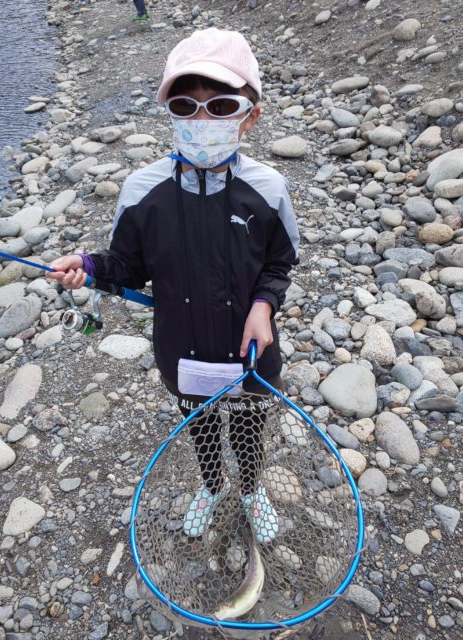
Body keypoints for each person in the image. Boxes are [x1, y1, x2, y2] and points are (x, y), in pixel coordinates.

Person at [47, 28, 299, 543]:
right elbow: (126, 265)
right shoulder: (142, 190)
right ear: (170, 114)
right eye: (186, 106)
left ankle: (251, 490)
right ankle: (213, 485)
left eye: (221, 106)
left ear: (250, 116)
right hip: (180, 351)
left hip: (249, 349)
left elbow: (279, 263)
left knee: (248, 426)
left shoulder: (269, 189)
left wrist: (264, 305)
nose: (202, 120)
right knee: (199, 425)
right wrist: (88, 266)